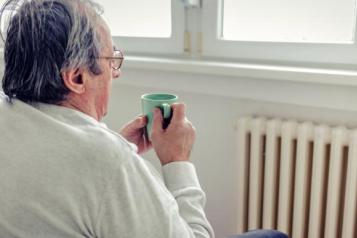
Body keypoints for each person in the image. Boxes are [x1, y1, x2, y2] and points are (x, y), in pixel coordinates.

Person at [0, 0, 215, 237]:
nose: (117, 72)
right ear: (77, 77)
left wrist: (113, 144)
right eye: (111, 60)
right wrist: (178, 160)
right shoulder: (108, 161)